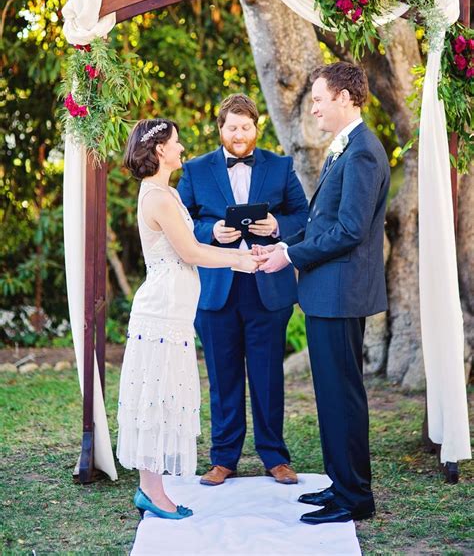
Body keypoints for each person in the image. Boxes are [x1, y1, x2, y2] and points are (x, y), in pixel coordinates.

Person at [254, 63, 390, 524]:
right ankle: (341, 486)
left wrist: (291, 258)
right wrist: (286, 246)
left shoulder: (363, 152)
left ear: (346, 98)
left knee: (343, 396)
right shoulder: (345, 150)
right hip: (327, 294)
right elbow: (324, 225)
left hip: (340, 294)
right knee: (331, 396)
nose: (312, 107)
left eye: (318, 99)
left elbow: (350, 230)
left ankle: (356, 498)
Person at [116, 118, 258, 521]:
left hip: (173, 312)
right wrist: (241, 260)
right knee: (156, 398)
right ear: (159, 150)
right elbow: (192, 252)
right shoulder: (158, 198)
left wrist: (237, 256)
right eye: (176, 143)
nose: (182, 148)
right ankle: (151, 492)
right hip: (161, 311)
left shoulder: (164, 192)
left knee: (162, 396)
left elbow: (192, 246)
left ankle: (152, 489)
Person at [177, 94, 308, 487]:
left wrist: (277, 228)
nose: (239, 134)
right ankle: (223, 458)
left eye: (245, 127)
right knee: (222, 376)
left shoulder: (280, 166)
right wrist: (210, 231)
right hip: (216, 289)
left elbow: (303, 215)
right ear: (221, 129)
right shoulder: (196, 170)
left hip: (266, 285)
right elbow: (181, 222)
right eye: (232, 127)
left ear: (256, 128)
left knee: (268, 377)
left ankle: (275, 457)